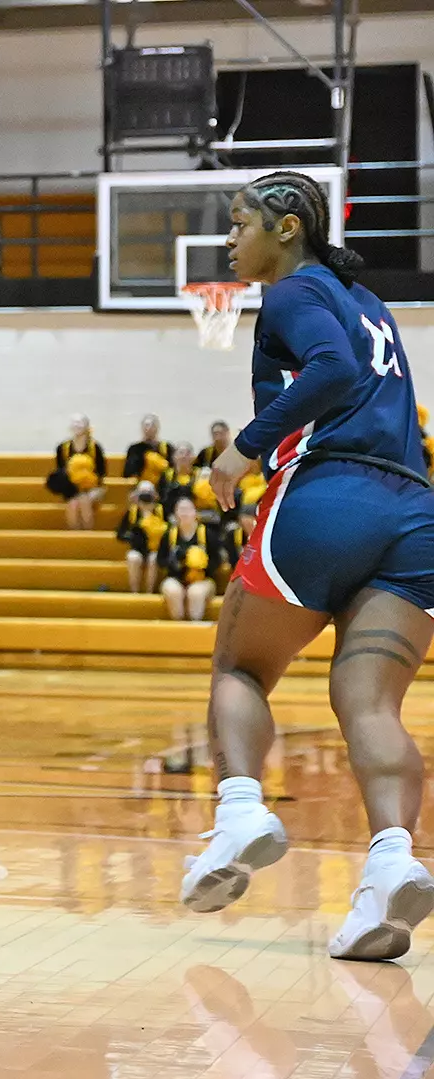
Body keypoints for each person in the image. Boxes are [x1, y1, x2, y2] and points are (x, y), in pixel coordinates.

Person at [181, 171, 434, 961]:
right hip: (415, 512)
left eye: (238, 222)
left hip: (333, 494)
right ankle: (391, 864)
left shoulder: (292, 294)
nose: (229, 239)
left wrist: (242, 450)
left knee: (239, 667)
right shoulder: (370, 303)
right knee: (368, 704)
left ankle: (240, 812)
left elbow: (334, 374)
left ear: (286, 227)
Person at [157, 495, 227, 622]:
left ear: (195, 513)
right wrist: (175, 563)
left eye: (188, 509)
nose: (185, 513)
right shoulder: (168, 534)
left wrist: (202, 564)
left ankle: (194, 627)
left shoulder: (208, 534)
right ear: (175, 513)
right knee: (173, 591)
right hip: (176, 578)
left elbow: (218, 560)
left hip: (204, 579)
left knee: (195, 593)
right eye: (181, 509)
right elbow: (160, 560)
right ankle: (179, 627)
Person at [46, 414, 106, 530]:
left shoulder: (95, 447)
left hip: (93, 488)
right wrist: (74, 489)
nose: (77, 425)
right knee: (73, 504)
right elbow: (61, 473)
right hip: (71, 488)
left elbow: (101, 472)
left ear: (87, 426)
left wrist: (88, 487)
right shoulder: (62, 448)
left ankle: (87, 535)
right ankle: (76, 537)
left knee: (85, 500)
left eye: (80, 422)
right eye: (75, 423)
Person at [115, 480, 168, 594]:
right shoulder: (132, 512)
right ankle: (135, 592)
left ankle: (149, 592)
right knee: (133, 557)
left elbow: (170, 531)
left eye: (149, 492)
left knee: (154, 558)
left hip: (155, 549)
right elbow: (119, 534)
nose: (146, 496)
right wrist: (133, 537)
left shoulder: (161, 510)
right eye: (142, 492)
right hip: (138, 549)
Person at [123, 414, 171, 485]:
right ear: (142, 428)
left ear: (157, 428)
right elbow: (128, 472)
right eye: (146, 425)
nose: (149, 428)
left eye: (152, 425)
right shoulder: (135, 448)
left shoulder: (167, 447)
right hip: (141, 486)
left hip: (163, 485)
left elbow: (173, 469)